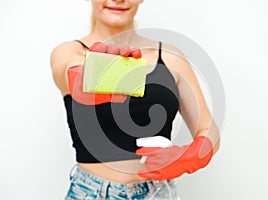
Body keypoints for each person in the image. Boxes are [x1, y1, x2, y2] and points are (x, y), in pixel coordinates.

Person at [50, 0, 220, 199]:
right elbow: (70, 72)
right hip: (92, 193)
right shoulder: (70, 52)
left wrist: (191, 154)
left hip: (157, 193)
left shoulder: (171, 58)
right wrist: (90, 75)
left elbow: (208, 129)